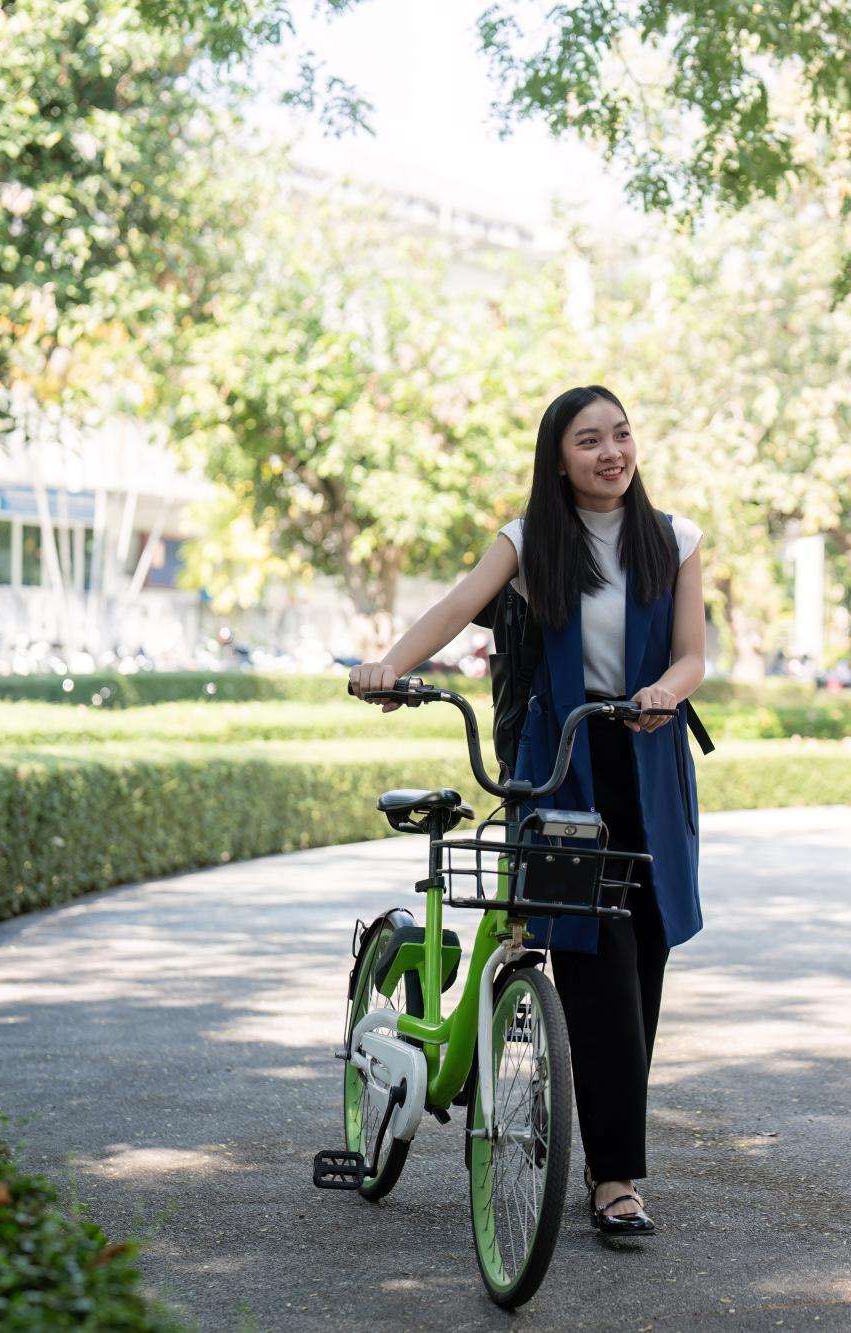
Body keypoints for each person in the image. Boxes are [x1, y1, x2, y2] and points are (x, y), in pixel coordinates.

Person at [348, 385, 705, 1238]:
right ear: (559, 458)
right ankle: (615, 1180)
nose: (612, 452)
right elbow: (457, 605)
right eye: (590, 440)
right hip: (562, 769)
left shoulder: (675, 540)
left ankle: (610, 1158)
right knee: (597, 961)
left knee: (643, 967)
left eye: (621, 435)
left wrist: (662, 690)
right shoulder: (529, 541)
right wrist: (389, 664)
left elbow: (694, 654)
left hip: (648, 762)